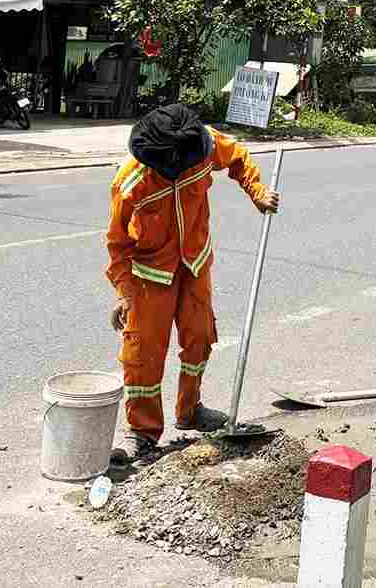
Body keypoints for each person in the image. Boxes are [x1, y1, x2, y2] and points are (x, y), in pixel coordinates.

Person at [104, 102, 279, 465]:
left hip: (195, 263)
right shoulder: (131, 181)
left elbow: (239, 157)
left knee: (199, 339)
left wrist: (257, 191)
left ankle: (190, 410)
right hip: (149, 275)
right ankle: (143, 432)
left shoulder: (201, 145)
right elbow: (117, 244)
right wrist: (123, 293)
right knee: (143, 356)